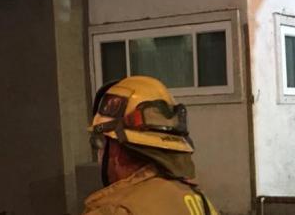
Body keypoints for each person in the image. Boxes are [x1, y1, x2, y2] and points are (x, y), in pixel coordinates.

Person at [83, 76, 218, 215]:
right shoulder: (198, 200)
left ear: (115, 150)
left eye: (100, 143)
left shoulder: (116, 210)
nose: (100, 154)